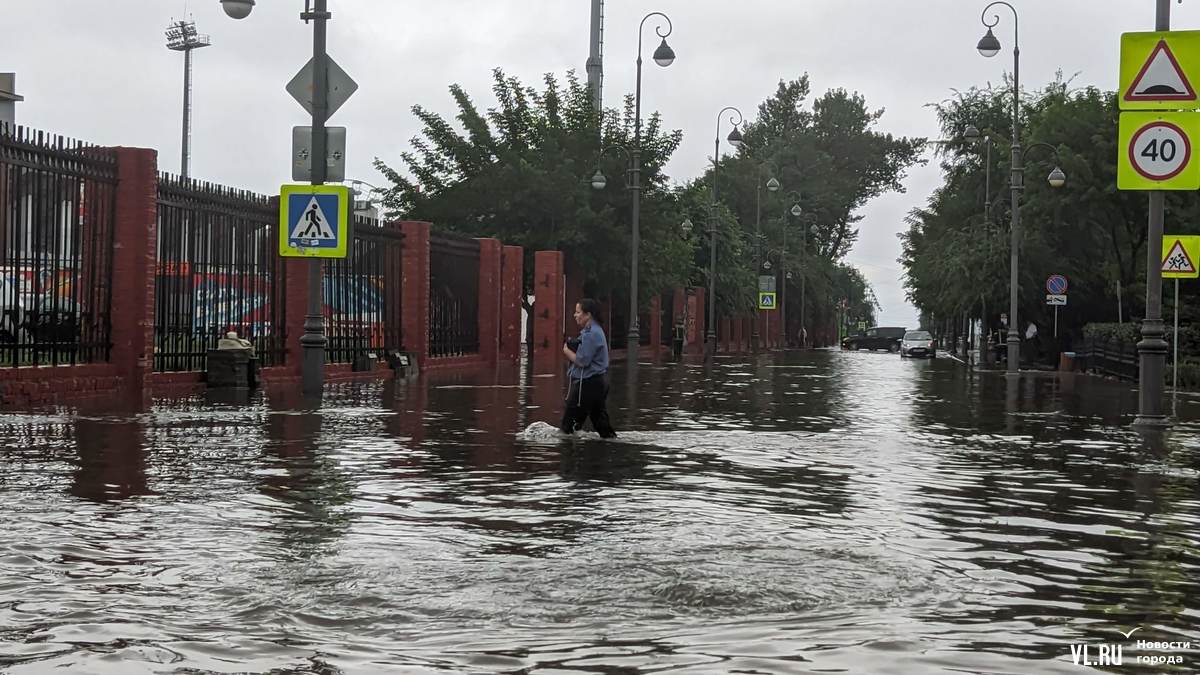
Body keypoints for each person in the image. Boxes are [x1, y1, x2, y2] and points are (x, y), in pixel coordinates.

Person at [561, 298, 616, 439]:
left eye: (578, 312)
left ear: (588, 314)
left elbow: (582, 361)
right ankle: (610, 446)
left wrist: (567, 351)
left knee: (567, 427)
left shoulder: (591, 333)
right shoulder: (593, 331)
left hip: (588, 384)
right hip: (597, 382)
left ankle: (570, 457)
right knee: (602, 425)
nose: (575, 315)